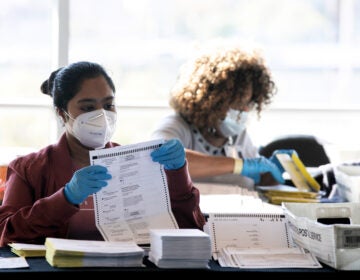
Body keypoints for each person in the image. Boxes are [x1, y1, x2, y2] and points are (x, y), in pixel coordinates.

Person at [0, 61, 205, 246]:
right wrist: (65, 198)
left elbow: (190, 229)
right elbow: (5, 233)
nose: (102, 116)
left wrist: (178, 174)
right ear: (61, 113)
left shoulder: (136, 163)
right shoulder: (29, 169)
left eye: (108, 105)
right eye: (88, 107)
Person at [151, 46, 295, 190]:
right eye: (238, 103)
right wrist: (238, 165)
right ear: (212, 100)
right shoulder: (176, 125)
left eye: (248, 103)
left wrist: (272, 173)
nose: (245, 110)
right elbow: (158, 160)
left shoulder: (238, 135)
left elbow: (255, 183)